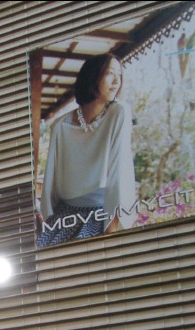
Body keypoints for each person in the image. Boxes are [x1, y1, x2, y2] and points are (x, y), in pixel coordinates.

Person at [37, 52, 136, 247]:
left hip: (102, 215)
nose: (116, 81)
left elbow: (119, 174)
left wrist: (112, 228)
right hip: (65, 217)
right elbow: (52, 184)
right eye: (109, 73)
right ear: (92, 76)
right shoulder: (60, 126)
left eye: (120, 75)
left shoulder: (119, 112)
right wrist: (51, 221)